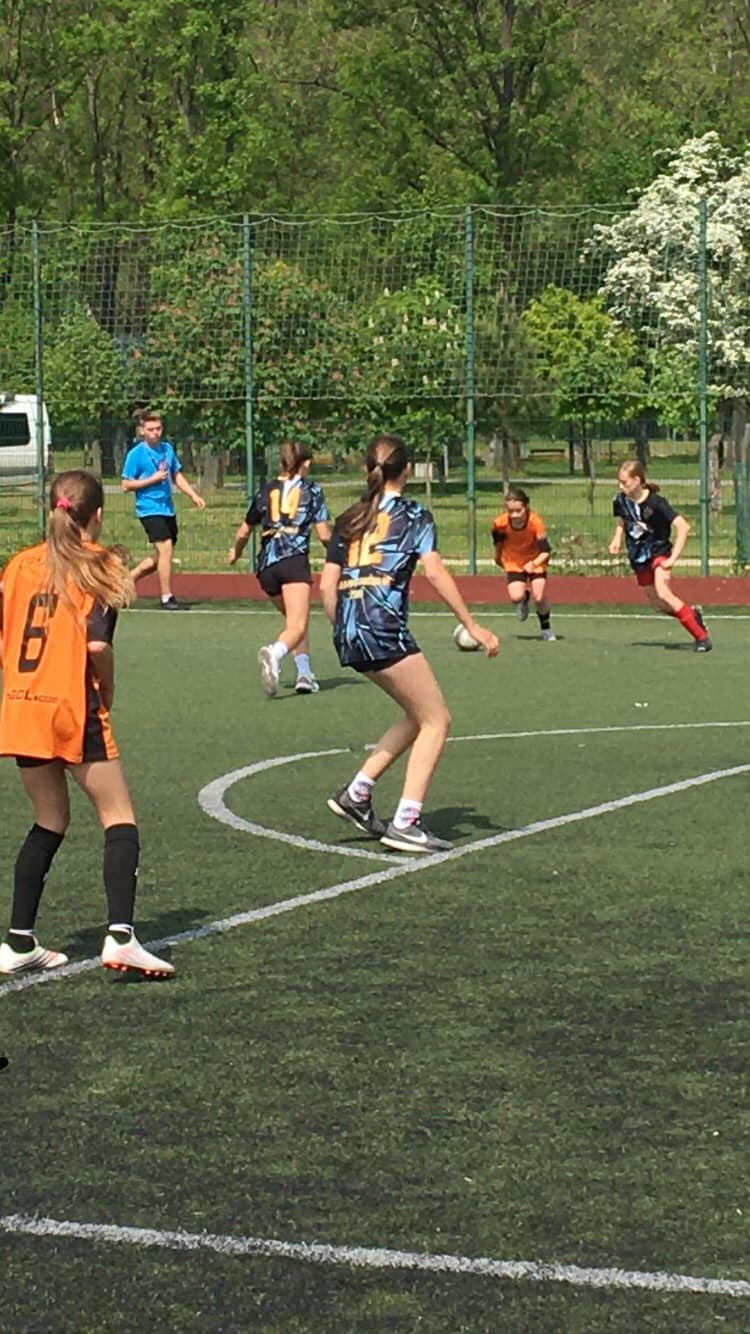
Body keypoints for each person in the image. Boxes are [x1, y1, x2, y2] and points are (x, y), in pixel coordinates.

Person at [0, 470, 173, 978]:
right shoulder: (101, 565)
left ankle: (18, 941)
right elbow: (97, 645)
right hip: (71, 704)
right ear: (97, 515)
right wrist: (108, 690)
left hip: (22, 705)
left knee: (49, 819)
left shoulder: (18, 565)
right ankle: (121, 936)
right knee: (118, 816)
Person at [320, 433, 499, 854]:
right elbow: (434, 573)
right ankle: (406, 821)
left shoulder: (349, 518)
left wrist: (345, 626)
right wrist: (472, 625)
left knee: (418, 714)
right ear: (407, 471)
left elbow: (327, 586)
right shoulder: (415, 516)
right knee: (438, 721)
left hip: (349, 632)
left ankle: (357, 793)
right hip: (384, 629)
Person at [229, 441, 331, 695]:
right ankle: (274, 654)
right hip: (293, 562)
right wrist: (343, 554)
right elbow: (324, 535)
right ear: (305, 463)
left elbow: (243, 532)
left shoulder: (265, 490)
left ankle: (305, 674)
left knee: (294, 621)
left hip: (267, 567)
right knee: (297, 625)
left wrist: (236, 553)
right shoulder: (312, 490)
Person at [609, 459, 712, 652]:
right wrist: (617, 539)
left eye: (624, 482)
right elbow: (623, 519)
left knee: (664, 592)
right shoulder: (620, 500)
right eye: (619, 482)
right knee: (658, 605)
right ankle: (692, 615)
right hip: (638, 556)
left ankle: (702, 638)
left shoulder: (656, 503)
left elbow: (683, 527)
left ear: (637, 480)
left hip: (659, 552)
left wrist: (672, 559)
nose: (621, 486)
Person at [121, 408, 205, 609]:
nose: (155, 433)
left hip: (167, 508)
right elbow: (125, 485)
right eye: (150, 429)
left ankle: (125, 580)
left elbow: (176, 475)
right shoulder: (136, 454)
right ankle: (167, 597)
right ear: (142, 431)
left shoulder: (167, 449)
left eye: (158, 428)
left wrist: (193, 495)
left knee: (162, 556)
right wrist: (152, 479)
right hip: (149, 509)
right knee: (165, 548)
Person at [491, 487, 556, 640]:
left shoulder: (535, 521)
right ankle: (524, 598)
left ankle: (546, 628)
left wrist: (534, 563)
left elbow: (546, 551)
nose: (514, 515)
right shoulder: (499, 524)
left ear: (526, 507)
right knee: (516, 596)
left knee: (539, 597)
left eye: (518, 511)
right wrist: (498, 558)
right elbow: (498, 544)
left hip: (536, 559)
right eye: (510, 511)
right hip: (514, 561)